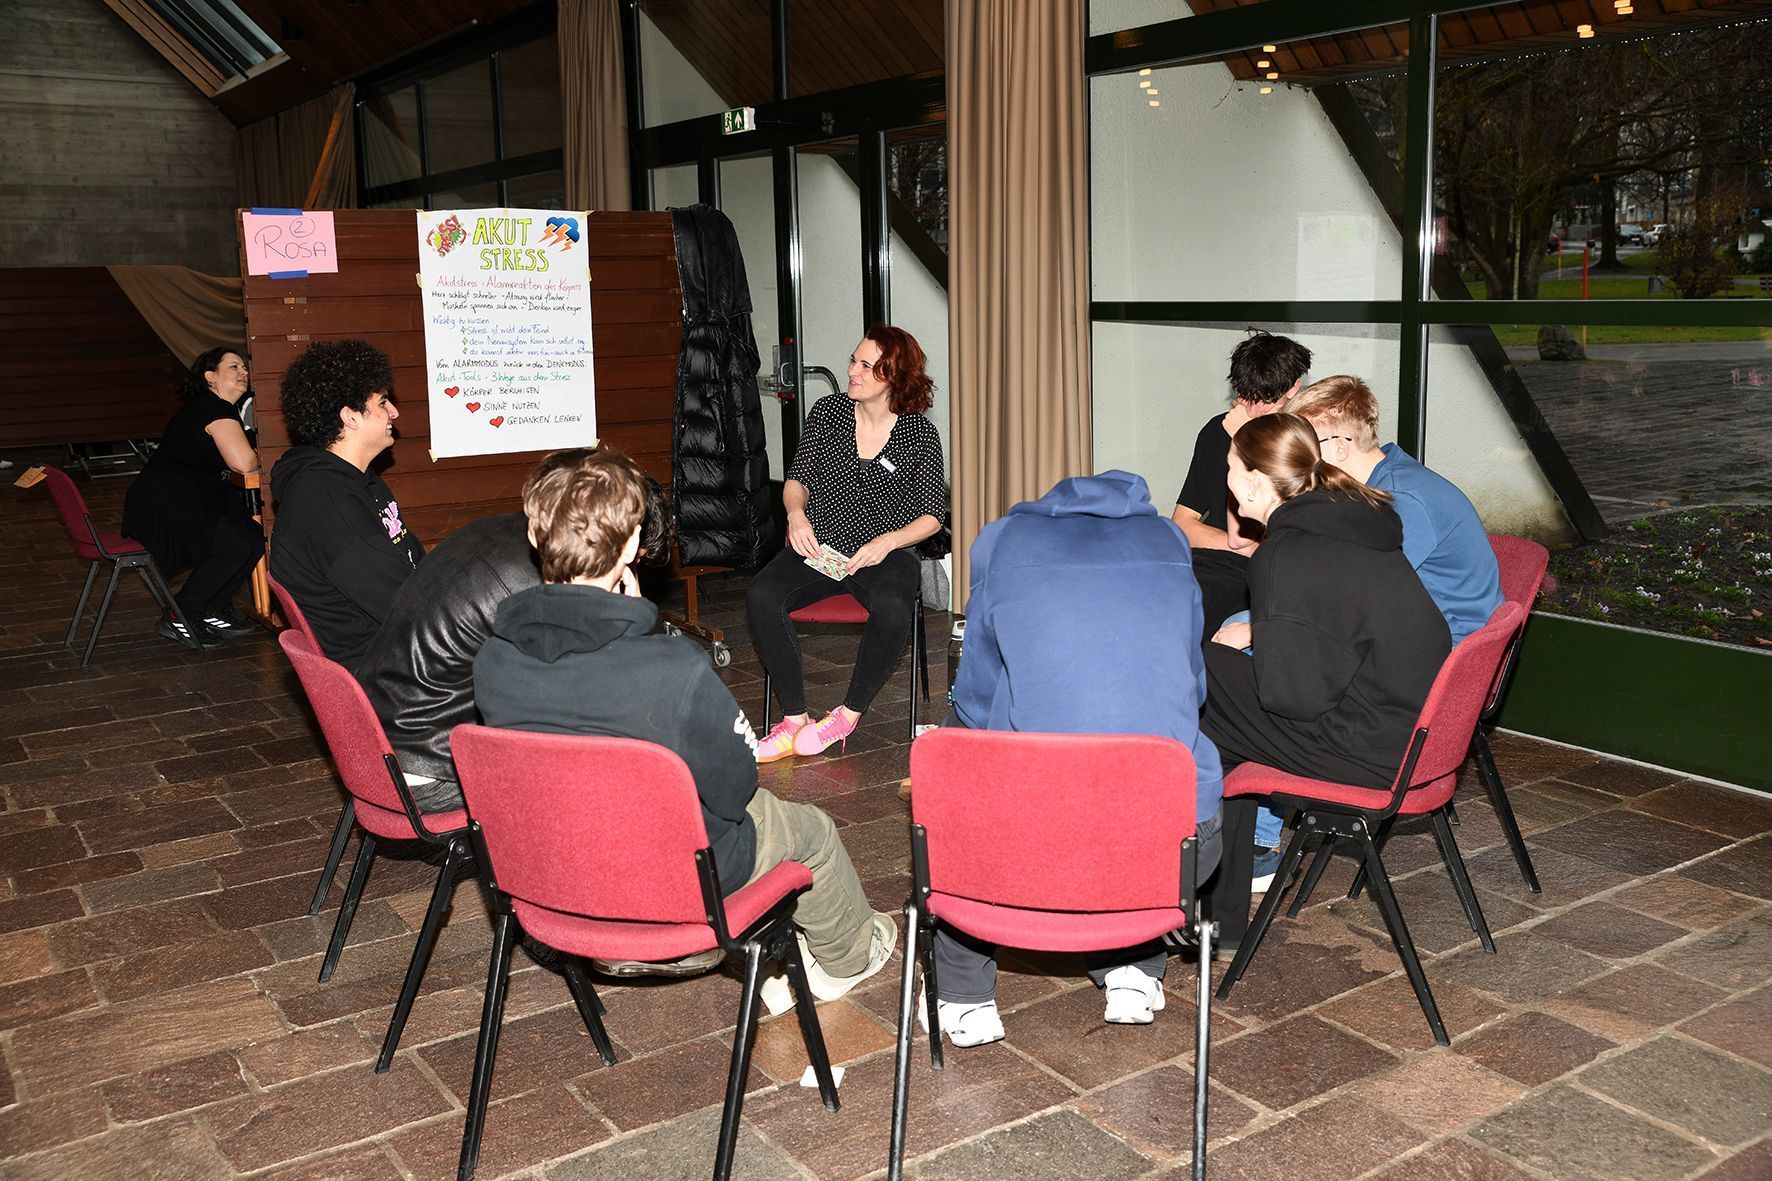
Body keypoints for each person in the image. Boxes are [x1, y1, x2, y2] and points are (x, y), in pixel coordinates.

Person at [473, 447, 897, 999]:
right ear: (630, 546)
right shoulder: (672, 668)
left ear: (534, 536)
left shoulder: (492, 662)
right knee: (810, 829)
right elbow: (737, 784)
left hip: (553, 877)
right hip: (677, 883)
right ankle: (847, 959)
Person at [927, 471, 1228, 1046]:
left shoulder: (1003, 540)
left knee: (951, 771)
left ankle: (965, 996)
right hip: (1175, 845)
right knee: (1128, 778)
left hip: (1032, 839)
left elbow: (976, 695)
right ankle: (1133, 969)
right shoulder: (1170, 541)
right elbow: (1192, 686)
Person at [357, 470, 672, 814]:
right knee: (632, 770)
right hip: (426, 769)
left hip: (377, 736)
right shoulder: (544, 584)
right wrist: (630, 624)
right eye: (631, 560)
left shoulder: (498, 529)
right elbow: (595, 698)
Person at [1201, 414, 1451, 799]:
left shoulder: (1284, 554)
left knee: (1190, 680)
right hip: (1413, 734)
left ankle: (1197, 845)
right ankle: (1241, 846)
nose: (1226, 481)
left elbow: (1292, 699)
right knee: (1210, 673)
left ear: (1253, 483)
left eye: (1230, 469)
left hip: (1361, 751)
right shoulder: (1355, 520)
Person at [747, 324, 947, 762]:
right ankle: (793, 720)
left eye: (865, 365)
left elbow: (933, 516)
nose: (852, 371)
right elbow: (796, 482)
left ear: (892, 377)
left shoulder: (919, 435)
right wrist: (796, 515)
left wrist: (887, 542)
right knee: (762, 595)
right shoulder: (828, 413)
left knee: (895, 604)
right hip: (820, 547)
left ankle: (847, 714)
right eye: (854, 360)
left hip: (882, 554)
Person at [1284, 375, 1503, 646]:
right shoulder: (1381, 479)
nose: (1294, 461)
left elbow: (1355, 596)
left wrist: (1261, 627)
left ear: (1339, 446)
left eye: (1301, 450)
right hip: (1416, 625)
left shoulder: (1402, 500)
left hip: (1447, 646)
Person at [268, 339, 424, 671]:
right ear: (350, 417)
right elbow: (412, 612)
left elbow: (412, 564)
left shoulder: (356, 480)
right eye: (383, 402)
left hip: (394, 650)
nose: (394, 412)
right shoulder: (332, 506)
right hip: (390, 672)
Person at [1172, 330, 1313, 635]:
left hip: (1261, 575)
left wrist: (1244, 439)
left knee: (1194, 613)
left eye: (1267, 401)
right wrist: (1245, 548)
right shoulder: (1216, 431)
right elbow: (1183, 523)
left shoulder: (1302, 443)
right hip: (1212, 561)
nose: (1254, 411)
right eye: (1248, 397)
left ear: (1294, 388)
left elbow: (1288, 534)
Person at [122, 348, 263, 649]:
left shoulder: (218, 409)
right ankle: (181, 612)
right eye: (234, 366)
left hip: (188, 498)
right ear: (210, 377)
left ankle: (211, 607)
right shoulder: (212, 408)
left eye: (245, 367)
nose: (243, 372)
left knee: (253, 537)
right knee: (235, 546)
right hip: (164, 504)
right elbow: (244, 464)